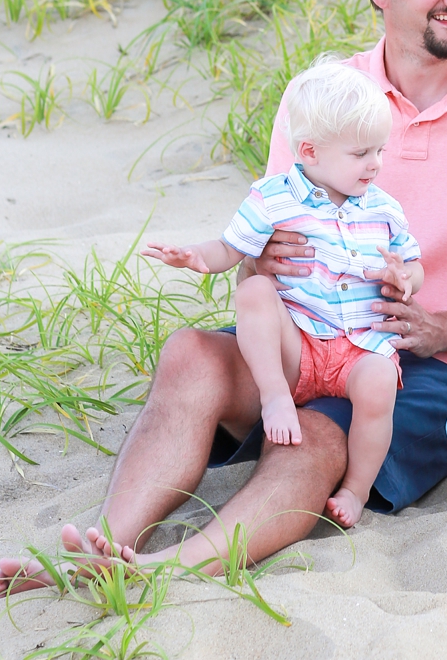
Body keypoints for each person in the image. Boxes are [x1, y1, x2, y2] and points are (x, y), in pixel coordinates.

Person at [0, 0, 447, 593]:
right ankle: (106, 546)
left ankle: (165, 573)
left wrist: (444, 325)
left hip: (435, 364)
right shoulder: (321, 95)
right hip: (306, 335)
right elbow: (262, 252)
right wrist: (255, 266)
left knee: (320, 432)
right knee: (191, 355)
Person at [141, 60, 423, 528]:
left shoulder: (384, 210)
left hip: (359, 348)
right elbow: (231, 248)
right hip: (300, 343)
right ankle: (274, 397)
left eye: (380, 150)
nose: (375, 164)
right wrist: (195, 257)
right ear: (310, 151)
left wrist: (406, 278)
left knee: (378, 387)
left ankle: (355, 489)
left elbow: (414, 264)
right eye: (360, 154)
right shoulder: (274, 198)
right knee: (254, 290)